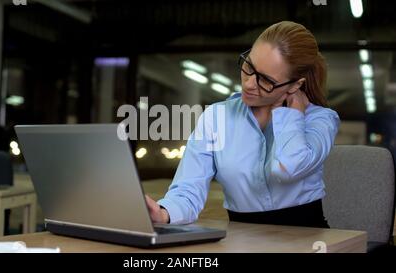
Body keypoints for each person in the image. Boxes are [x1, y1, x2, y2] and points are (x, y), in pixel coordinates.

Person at [145, 21, 340, 228]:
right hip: (242, 238)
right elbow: (188, 190)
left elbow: (288, 168)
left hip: (306, 238)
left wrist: (293, 114)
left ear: (295, 85)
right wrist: (163, 213)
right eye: (248, 66)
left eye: (265, 80)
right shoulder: (216, 117)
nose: (248, 83)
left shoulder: (320, 120)